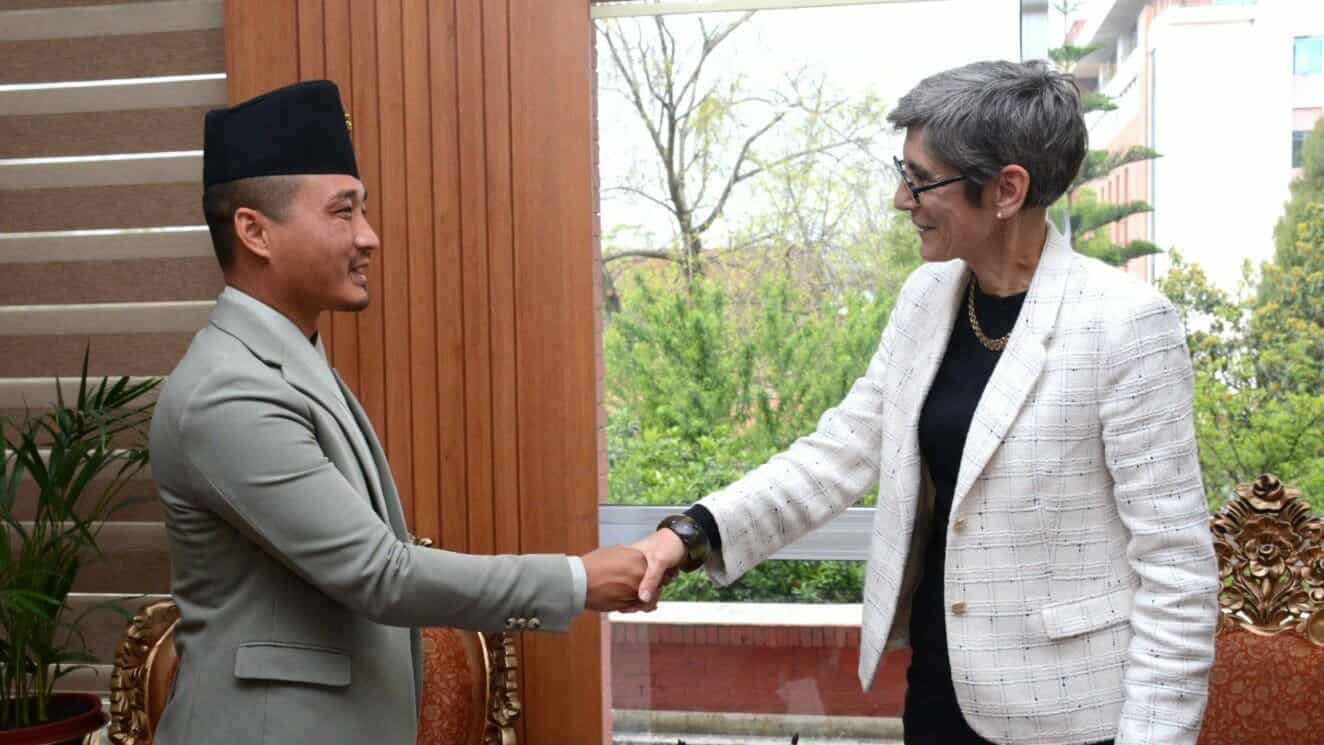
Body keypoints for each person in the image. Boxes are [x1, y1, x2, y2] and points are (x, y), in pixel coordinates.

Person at [632, 60, 1219, 745]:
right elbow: (838, 453)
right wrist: (690, 533)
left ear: (1006, 190)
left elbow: (1177, 573)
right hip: (940, 694)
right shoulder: (926, 299)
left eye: (920, 178)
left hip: (1070, 716)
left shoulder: (1125, 323)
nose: (899, 199)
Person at [149, 80, 646, 745]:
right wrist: (576, 580)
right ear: (255, 231)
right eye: (343, 212)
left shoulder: (286, 360)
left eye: (364, 210)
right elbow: (381, 574)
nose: (369, 237)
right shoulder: (226, 392)